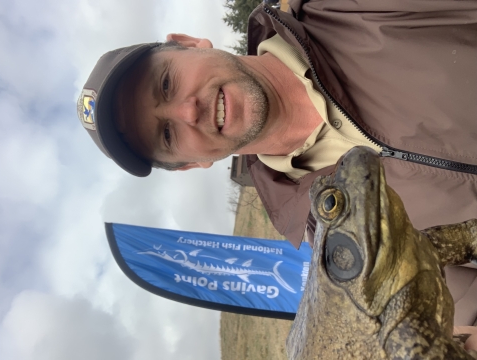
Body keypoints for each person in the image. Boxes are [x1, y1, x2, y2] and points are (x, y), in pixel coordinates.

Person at [77, 0, 477, 332]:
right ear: (192, 164)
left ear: (189, 43)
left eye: (166, 84)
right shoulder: (338, 247)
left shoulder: (345, 11)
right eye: (167, 134)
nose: (187, 110)